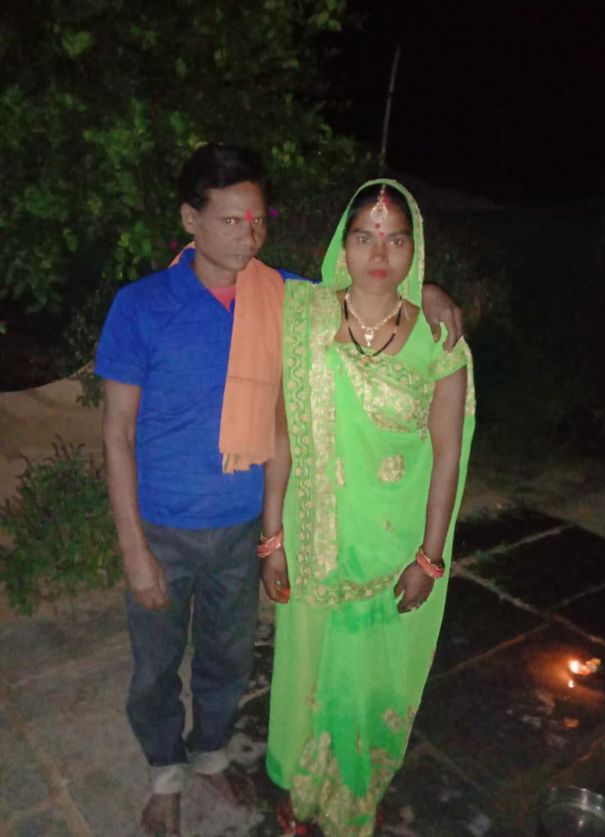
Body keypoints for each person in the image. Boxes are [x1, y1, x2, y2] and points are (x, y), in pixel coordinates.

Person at [95, 144, 464, 837]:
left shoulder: (289, 299)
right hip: (164, 526)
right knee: (155, 666)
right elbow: (116, 433)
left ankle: (210, 756)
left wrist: (431, 292)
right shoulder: (140, 307)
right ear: (190, 219)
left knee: (229, 659)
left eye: (259, 220)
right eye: (231, 220)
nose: (250, 235)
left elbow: (370, 286)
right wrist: (132, 547)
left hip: (244, 527)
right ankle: (164, 772)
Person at [261, 179, 475, 836]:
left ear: (415, 249)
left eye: (396, 239)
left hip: (392, 547)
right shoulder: (303, 318)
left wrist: (429, 557)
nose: (379, 253)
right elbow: (282, 433)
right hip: (313, 538)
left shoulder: (441, 341)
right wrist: (271, 537)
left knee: (367, 682)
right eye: (364, 237)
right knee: (307, 670)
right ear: (342, 245)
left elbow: (447, 455)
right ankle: (303, 792)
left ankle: (355, 789)